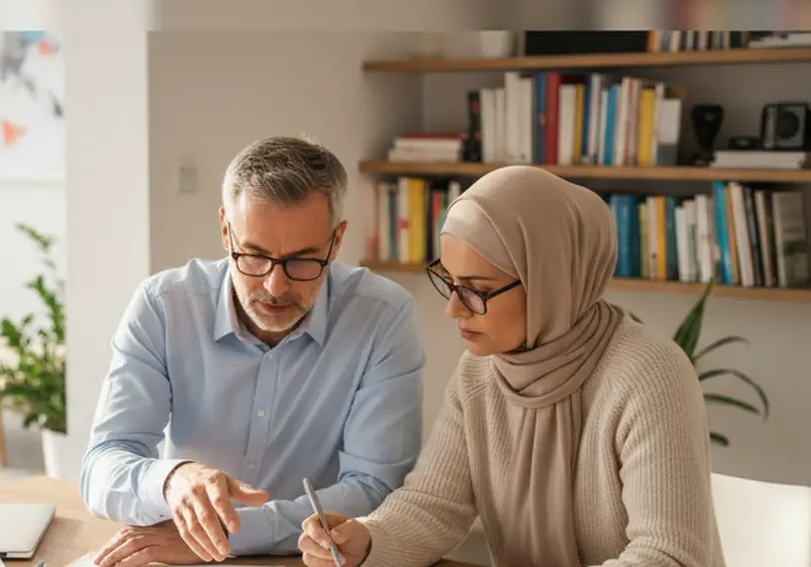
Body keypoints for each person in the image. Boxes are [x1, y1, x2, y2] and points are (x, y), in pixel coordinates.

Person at [299, 165, 724, 567]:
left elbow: (666, 555)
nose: (453, 309)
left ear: (547, 281)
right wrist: (368, 539)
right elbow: (434, 505)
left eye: (475, 290)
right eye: (449, 281)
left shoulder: (649, 374)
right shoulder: (479, 374)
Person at [79, 136, 427, 567]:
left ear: (336, 243)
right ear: (226, 231)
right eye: (255, 256)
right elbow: (101, 467)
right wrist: (170, 479)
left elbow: (376, 491)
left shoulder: (382, 318)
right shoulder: (163, 306)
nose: (275, 286)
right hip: (178, 552)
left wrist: (227, 534)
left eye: (302, 261)